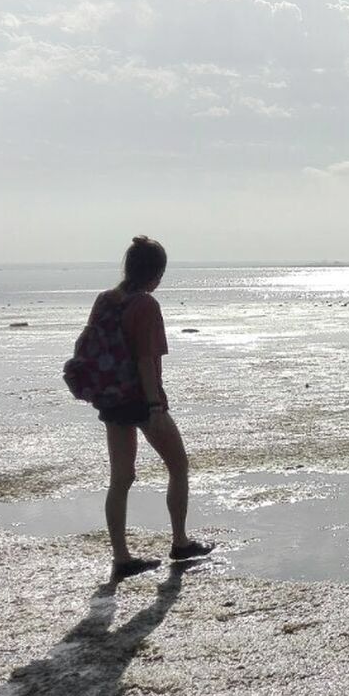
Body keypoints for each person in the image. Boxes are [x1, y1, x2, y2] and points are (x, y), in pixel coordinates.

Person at [89, 236, 213, 580]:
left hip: (111, 398)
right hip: (142, 401)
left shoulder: (105, 300)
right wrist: (155, 404)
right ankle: (181, 541)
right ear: (155, 274)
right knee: (179, 465)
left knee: (121, 478)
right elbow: (147, 359)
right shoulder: (145, 306)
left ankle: (121, 557)